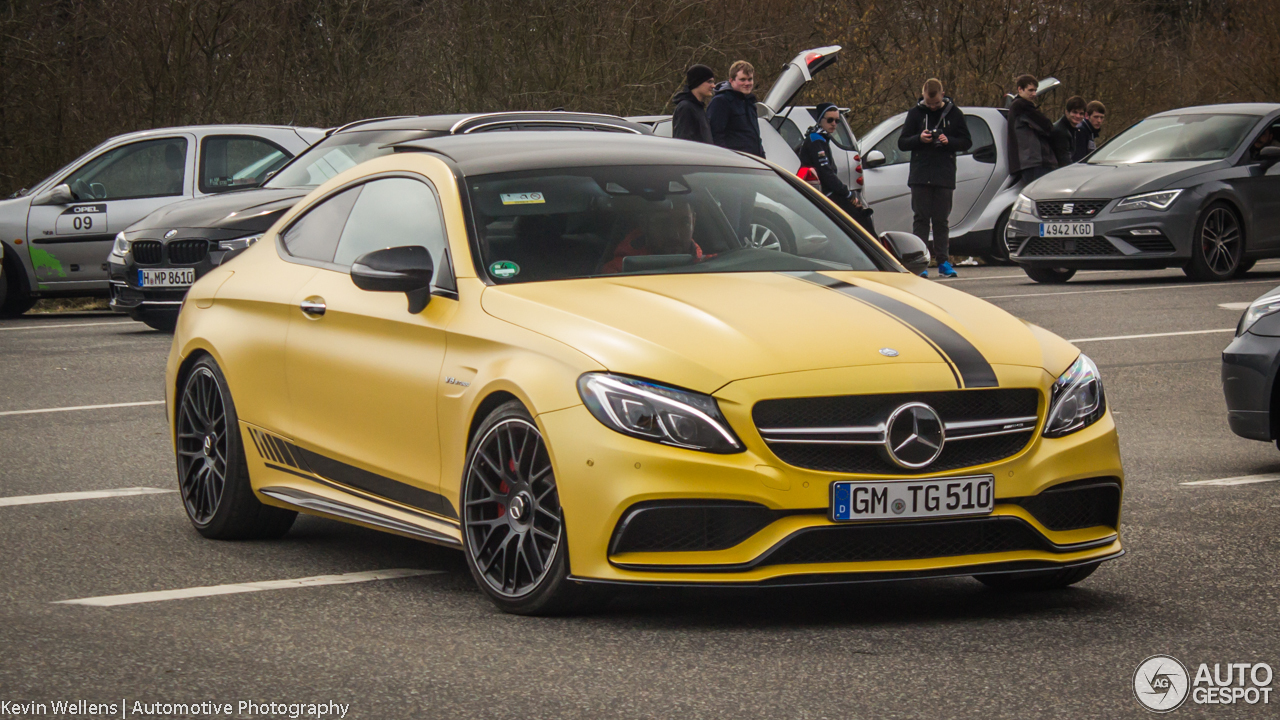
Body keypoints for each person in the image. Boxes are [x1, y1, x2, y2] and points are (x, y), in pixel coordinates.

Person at [897, 78, 971, 278]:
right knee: (920, 219)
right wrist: (919, 139)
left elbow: (967, 141)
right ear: (923, 96)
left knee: (941, 221)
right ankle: (920, 263)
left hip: (944, 174)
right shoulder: (915, 114)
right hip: (920, 175)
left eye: (936, 104)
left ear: (943, 95)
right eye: (929, 104)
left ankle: (944, 262)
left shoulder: (954, 114)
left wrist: (949, 141)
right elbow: (902, 142)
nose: (932, 107)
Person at [799, 103, 877, 236]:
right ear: (820, 120)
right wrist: (847, 193)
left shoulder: (820, 137)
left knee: (860, 215)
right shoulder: (816, 140)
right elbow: (826, 174)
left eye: (837, 121)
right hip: (823, 194)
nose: (834, 124)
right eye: (830, 120)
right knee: (860, 220)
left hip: (825, 192)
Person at [601, 200, 703, 274]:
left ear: (693, 222)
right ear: (644, 224)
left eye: (684, 223)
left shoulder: (711, 264)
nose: (675, 234)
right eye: (664, 223)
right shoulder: (617, 272)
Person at [707, 60, 765, 158]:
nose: (747, 83)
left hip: (753, 161)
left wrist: (763, 158)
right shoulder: (721, 102)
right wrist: (727, 159)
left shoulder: (750, 103)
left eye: (750, 79)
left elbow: (755, 137)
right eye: (742, 79)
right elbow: (716, 135)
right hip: (734, 163)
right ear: (731, 80)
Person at [1006, 74, 1057, 185]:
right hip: (1033, 162)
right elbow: (1047, 127)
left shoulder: (1015, 106)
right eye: (1030, 90)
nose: (1034, 94)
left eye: (1035, 90)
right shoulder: (1022, 105)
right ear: (1020, 89)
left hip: (1027, 162)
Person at [671, 65, 715, 144]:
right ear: (698, 82)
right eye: (709, 81)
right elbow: (684, 143)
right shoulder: (686, 108)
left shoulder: (698, 108)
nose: (713, 85)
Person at [1052, 96, 1088, 167]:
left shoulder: (1071, 128)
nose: (1078, 116)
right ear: (1066, 112)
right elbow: (1064, 161)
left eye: (1081, 113)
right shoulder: (1061, 131)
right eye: (1074, 112)